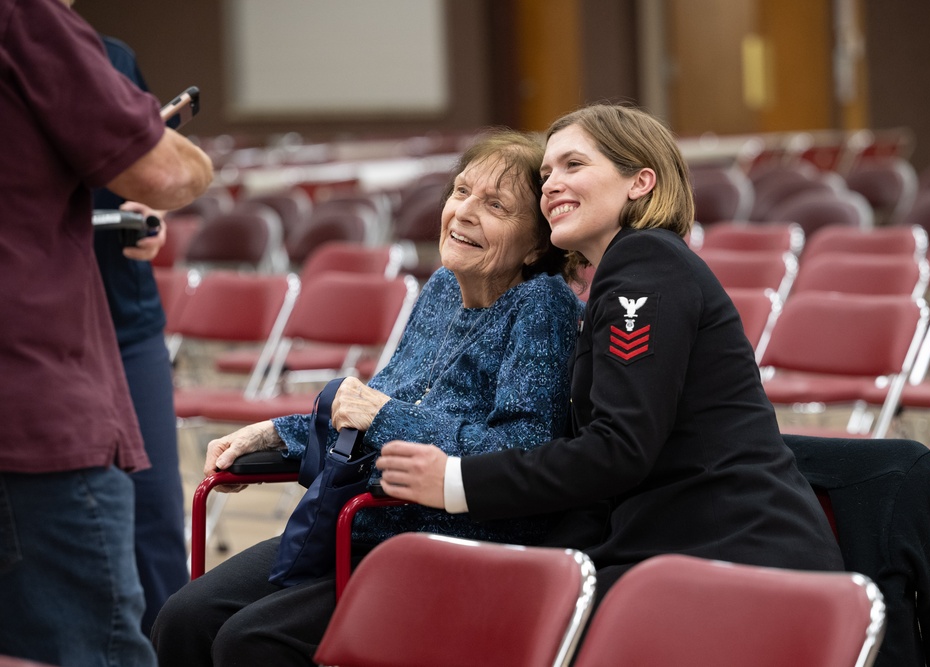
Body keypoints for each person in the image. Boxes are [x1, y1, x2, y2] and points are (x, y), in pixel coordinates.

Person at [375, 103, 845, 601]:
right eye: (547, 172)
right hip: (683, 542)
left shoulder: (646, 265)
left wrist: (454, 479)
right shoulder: (628, 271)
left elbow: (619, 448)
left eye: (573, 165)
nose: (552, 183)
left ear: (639, 182)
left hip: (737, 553)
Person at [150, 129, 584, 667]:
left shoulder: (543, 306)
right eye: (462, 192)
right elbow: (371, 404)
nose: (466, 212)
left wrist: (387, 416)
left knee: (252, 641)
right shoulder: (444, 288)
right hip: (364, 522)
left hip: (446, 539)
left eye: (495, 205)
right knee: (183, 618)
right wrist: (276, 432)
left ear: (539, 242)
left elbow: (525, 447)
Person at [0, 0, 214, 664]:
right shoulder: (27, 23)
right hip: (37, 384)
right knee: (94, 642)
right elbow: (169, 169)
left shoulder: (104, 53)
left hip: (108, 325)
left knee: (152, 531)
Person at [90, 31, 190, 636]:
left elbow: (158, 178)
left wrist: (153, 220)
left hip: (126, 320)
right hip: (34, 329)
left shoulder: (114, 58)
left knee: (154, 511)